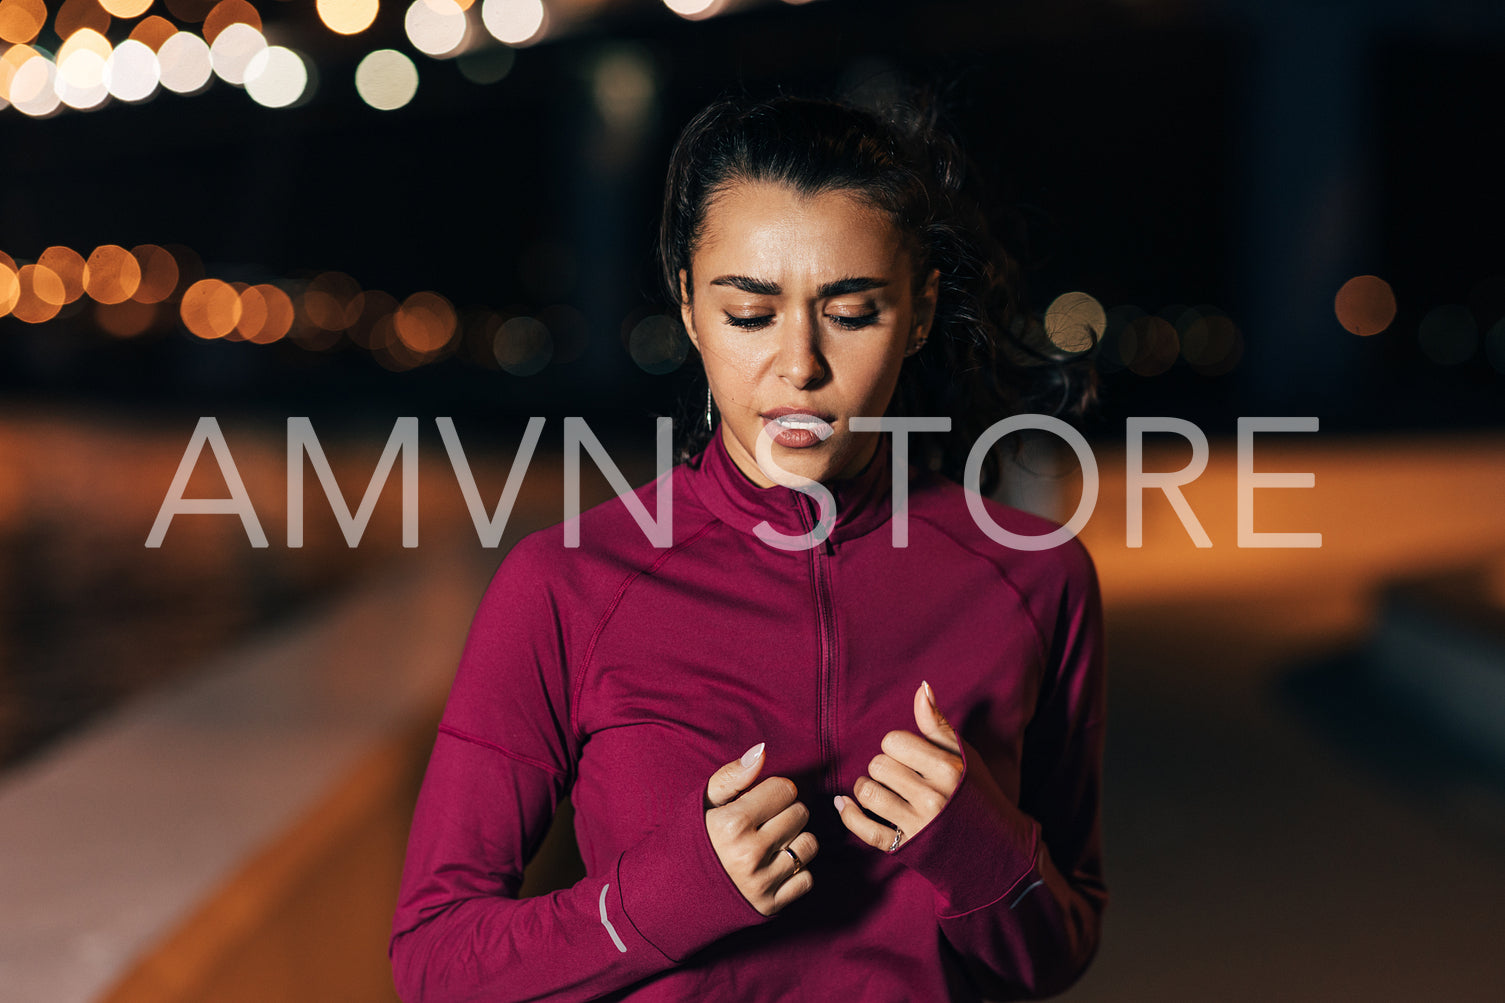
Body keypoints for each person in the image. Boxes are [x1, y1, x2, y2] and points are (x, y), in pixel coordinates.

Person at [390, 90, 1106, 1002]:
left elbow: (1066, 943)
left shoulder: (1035, 577)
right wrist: (655, 899)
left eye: (851, 313)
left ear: (919, 312)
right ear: (689, 307)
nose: (798, 365)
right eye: (749, 313)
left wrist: (977, 847)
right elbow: (434, 961)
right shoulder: (566, 585)